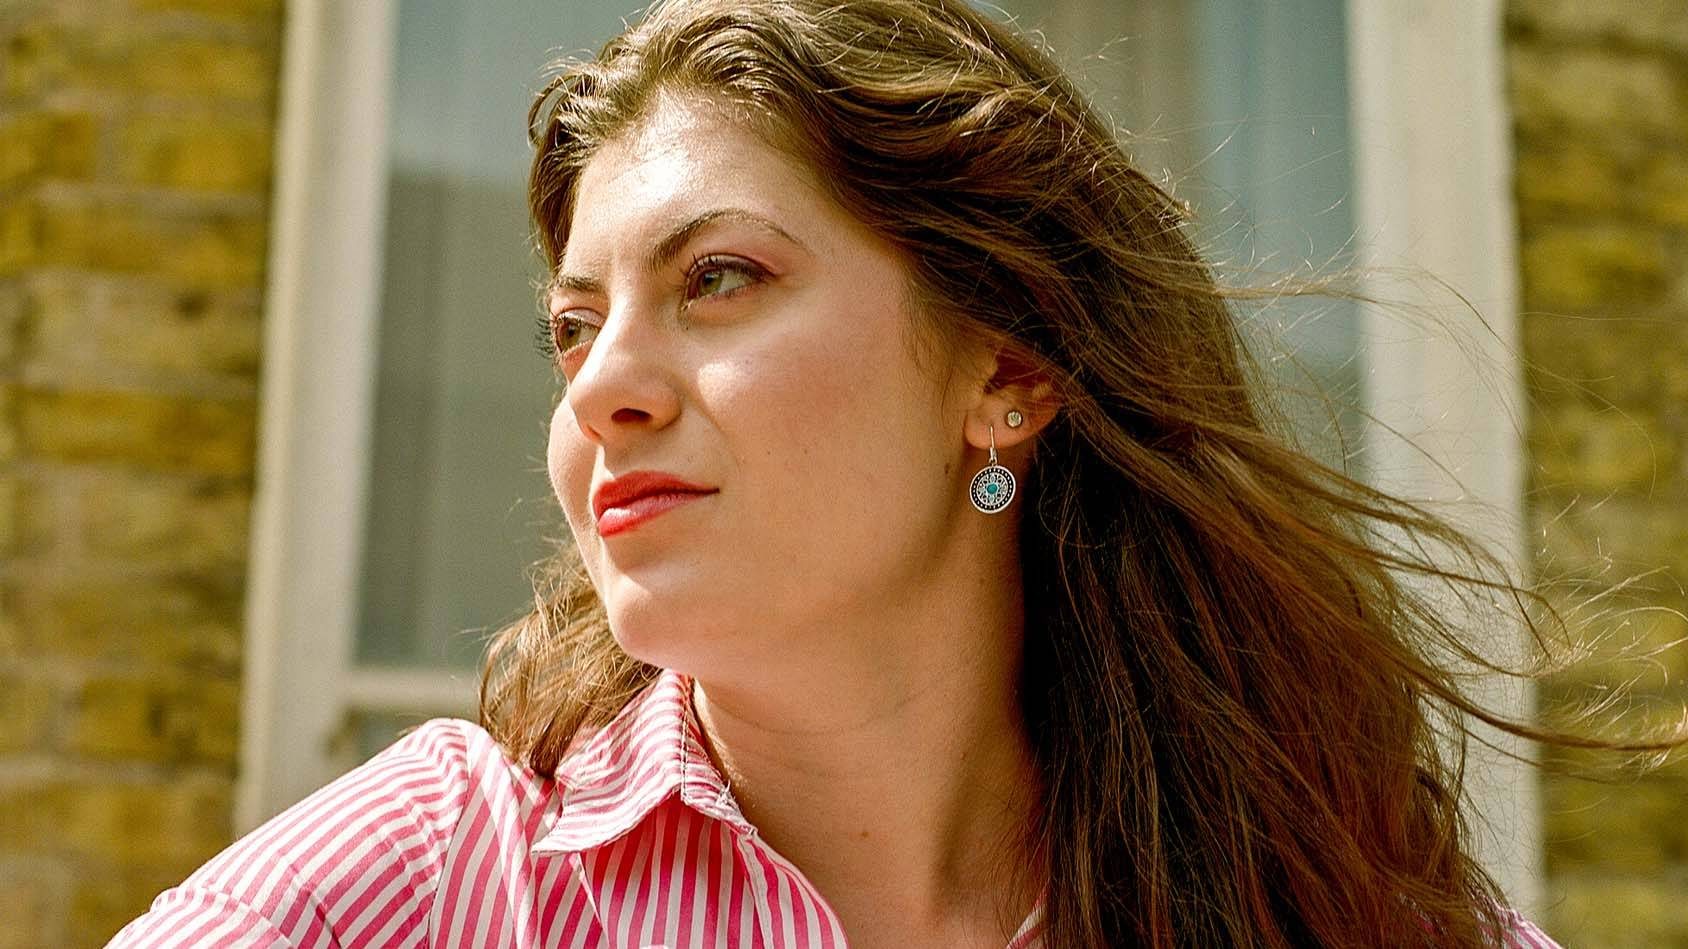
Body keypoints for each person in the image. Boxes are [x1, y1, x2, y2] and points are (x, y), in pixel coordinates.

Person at [109, 0, 1667, 945]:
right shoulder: (434, 879)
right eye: (573, 328)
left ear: (1005, 371)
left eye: (717, 278)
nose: (604, 389)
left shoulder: (1319, 906)